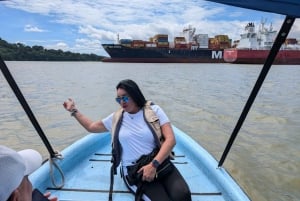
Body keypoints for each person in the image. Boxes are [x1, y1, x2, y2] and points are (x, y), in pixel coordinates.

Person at [63, 79, 191, 201]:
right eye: (118, 99)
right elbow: (91, 127)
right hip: (135, 170)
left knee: (183, 196)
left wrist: (153, 165)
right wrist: (74, 110)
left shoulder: (154, 110)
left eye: (125, 97)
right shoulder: (116, 117)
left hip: (157, 162)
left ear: (135, 95)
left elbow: (170, 140)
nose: (121, 102)